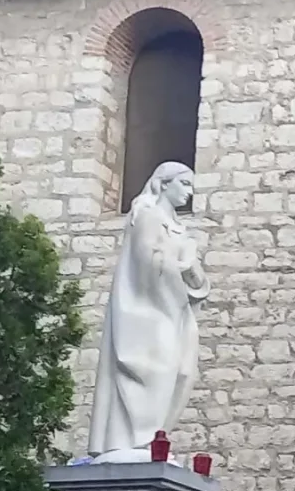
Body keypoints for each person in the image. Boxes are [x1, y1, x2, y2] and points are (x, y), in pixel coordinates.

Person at [87, 161, 209, 460]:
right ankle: (134, 440)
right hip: (148, 313)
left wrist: (192, 271)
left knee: (183, 372)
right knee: (154, 370)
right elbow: (148, 264)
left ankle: (154, 436)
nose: (189, 193)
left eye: (191, 186)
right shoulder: (147, 216)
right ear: (164, 184)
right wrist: (181, 262)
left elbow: (194, 277)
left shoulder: (175, 227)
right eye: (184, 184)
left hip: (175, 312)